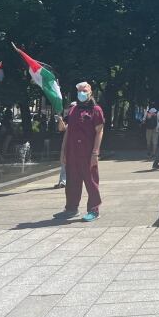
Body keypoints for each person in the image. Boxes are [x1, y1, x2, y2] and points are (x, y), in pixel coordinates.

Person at [55, 82, 104, 222]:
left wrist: (95, 152)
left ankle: (94, 210)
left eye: (84, 90)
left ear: (90, 92)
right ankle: (71, 208)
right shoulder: (73, 109)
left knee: (91, 181)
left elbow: (100, 131)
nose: (81, 93)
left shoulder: (96, 110)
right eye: (79, 91)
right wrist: (63, 152)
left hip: (88, 152)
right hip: (72, 152)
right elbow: (65, 130)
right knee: (72, 182)